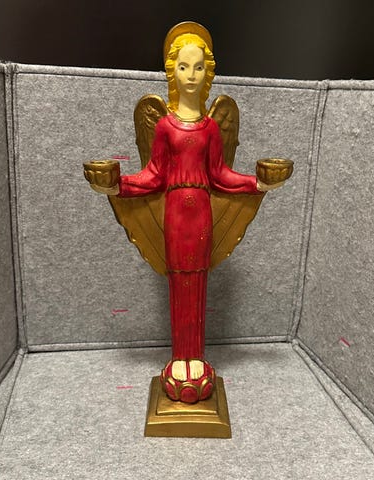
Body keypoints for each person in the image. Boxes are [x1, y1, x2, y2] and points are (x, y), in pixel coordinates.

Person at [95, 23, 280, 403]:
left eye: (198, 67)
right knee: (178, 281)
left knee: (199, 282)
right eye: (183, 67)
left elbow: (221, 175)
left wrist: (258, 183)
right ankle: (180, 359)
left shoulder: (211, 128)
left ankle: (196, 359)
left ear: (207, 73)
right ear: (172, 72)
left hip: (202, 214)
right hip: (176, 213)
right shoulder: (164, 126)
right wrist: (117, 185)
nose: (191, 75)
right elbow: (153, 176)